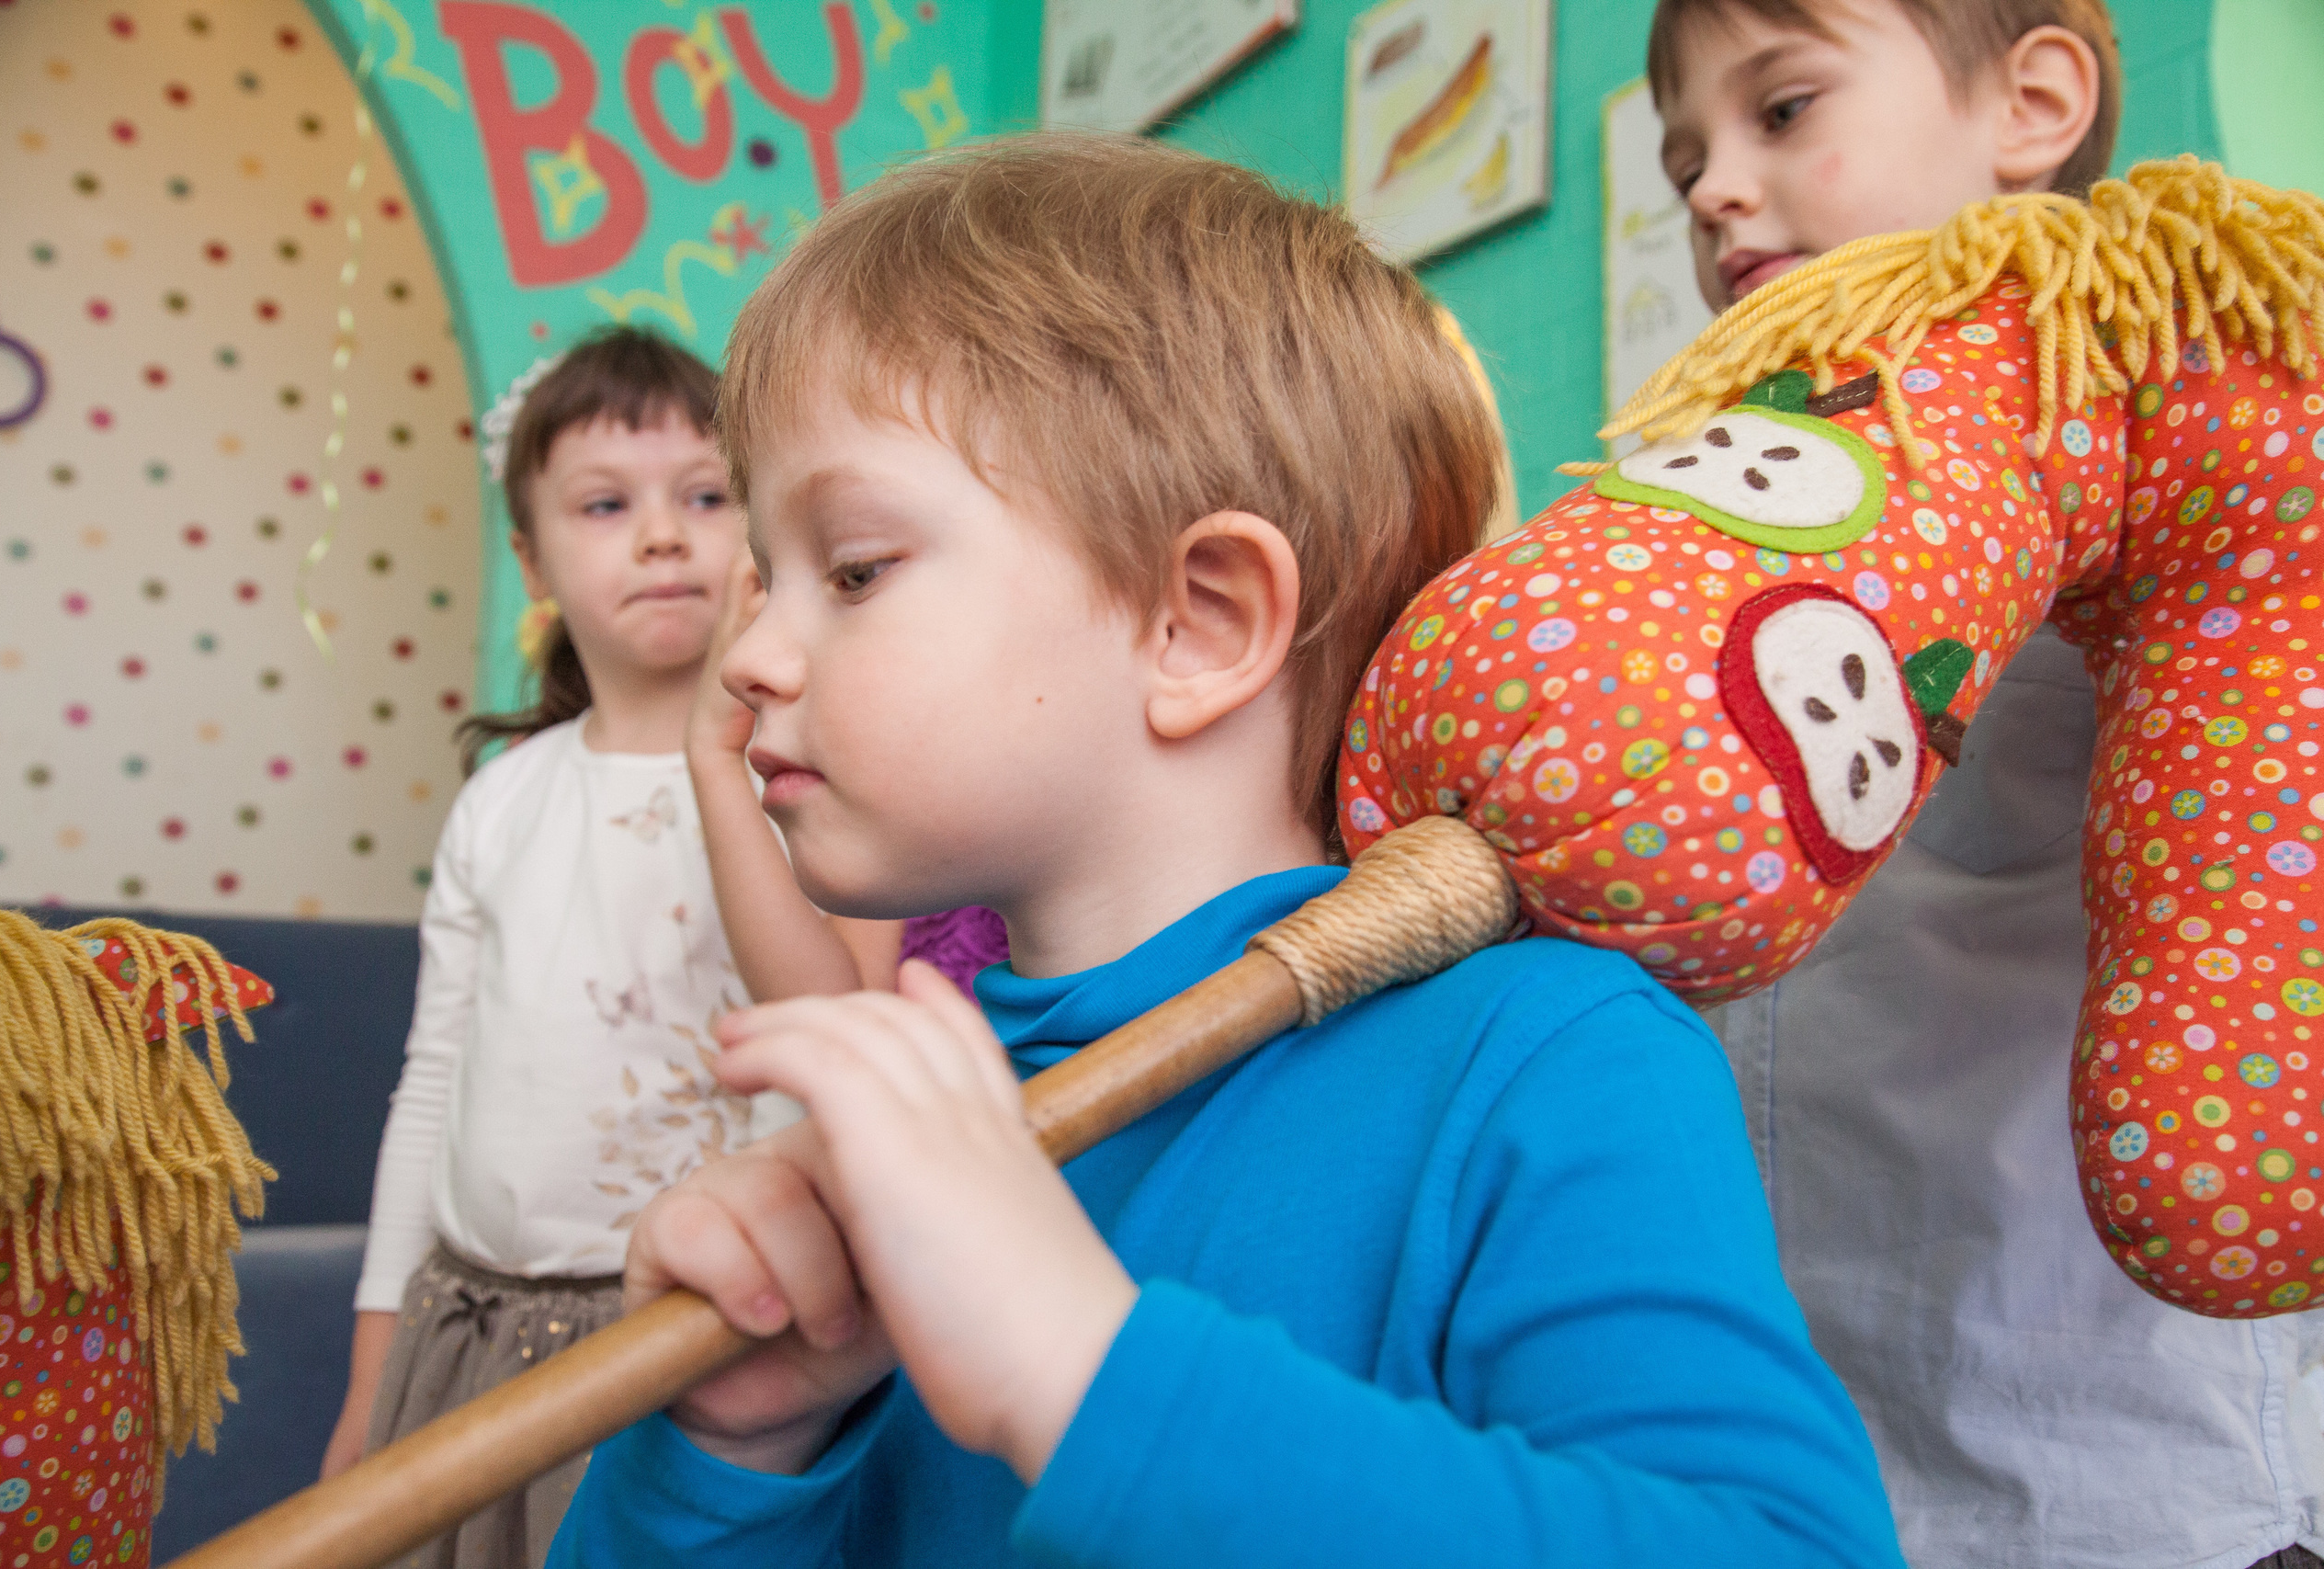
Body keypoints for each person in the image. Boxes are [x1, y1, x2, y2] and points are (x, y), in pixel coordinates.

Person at [544, 134, 1904, 1568]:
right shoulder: (923, 1110)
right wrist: (732, 1455)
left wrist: (1081, 1368)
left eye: (854, 568)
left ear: (1200, 622)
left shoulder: (1545, 1061)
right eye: (767, 579)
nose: (750, 655)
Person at [1650, 2, 2324, 1565]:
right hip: (1839, 1390)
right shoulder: (1742, 472)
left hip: (2128, 1430)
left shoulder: (2181, 423)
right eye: (1685, 160)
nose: (1715, 185)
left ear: (2032, 105)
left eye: (1783, 108)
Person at [322, 327, 824, 1569]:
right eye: (606, 504)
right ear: (531, 556)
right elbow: (432, 1085)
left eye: (704, 496)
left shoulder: (800, 779)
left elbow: (824, 1032)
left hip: (684, 1336)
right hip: (462, 1324)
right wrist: (370, 1379)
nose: (661, 536)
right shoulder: (502, 799)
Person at [685, 549, 1011, 1001]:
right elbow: (831, 1007)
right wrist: (714, 752)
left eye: (858, 576)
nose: (743, 662)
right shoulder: (905, 820)